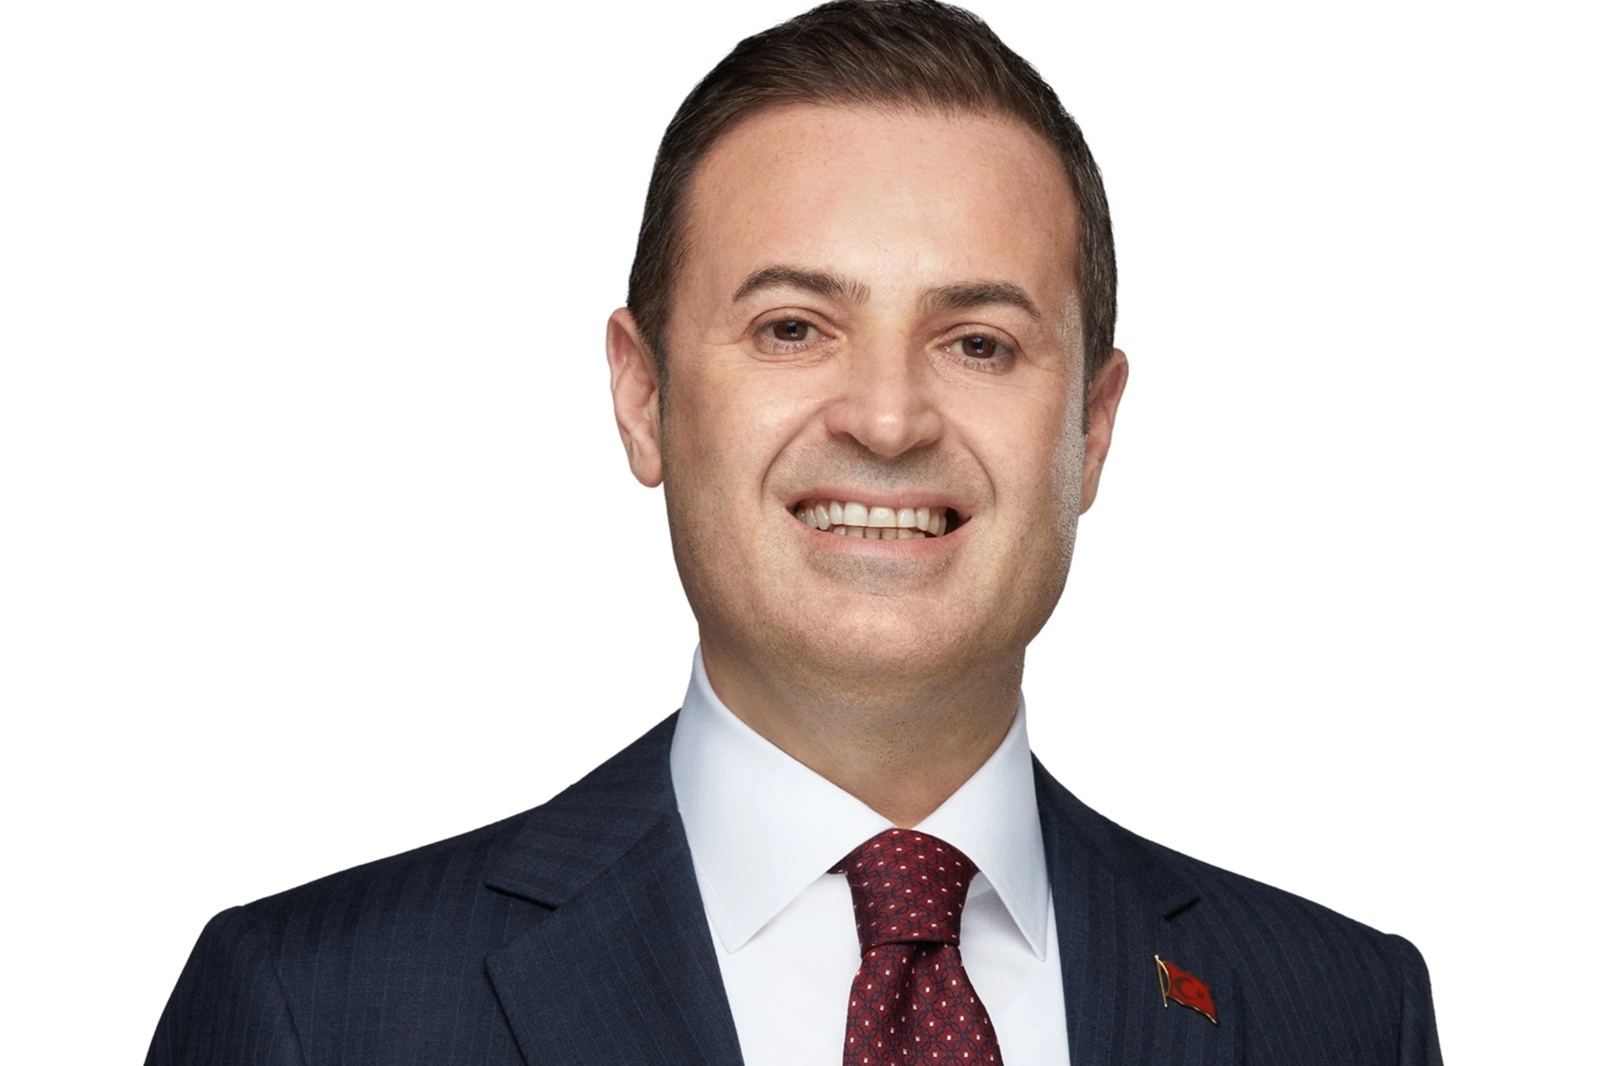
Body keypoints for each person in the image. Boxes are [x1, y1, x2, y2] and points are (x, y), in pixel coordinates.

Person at [146, 2, 1443, 1064]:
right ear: (643, 397)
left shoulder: (1338, 1013)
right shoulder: (315, 1009)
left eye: (978, 343)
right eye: (791, 328)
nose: (886, 417)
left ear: (1091, 430)